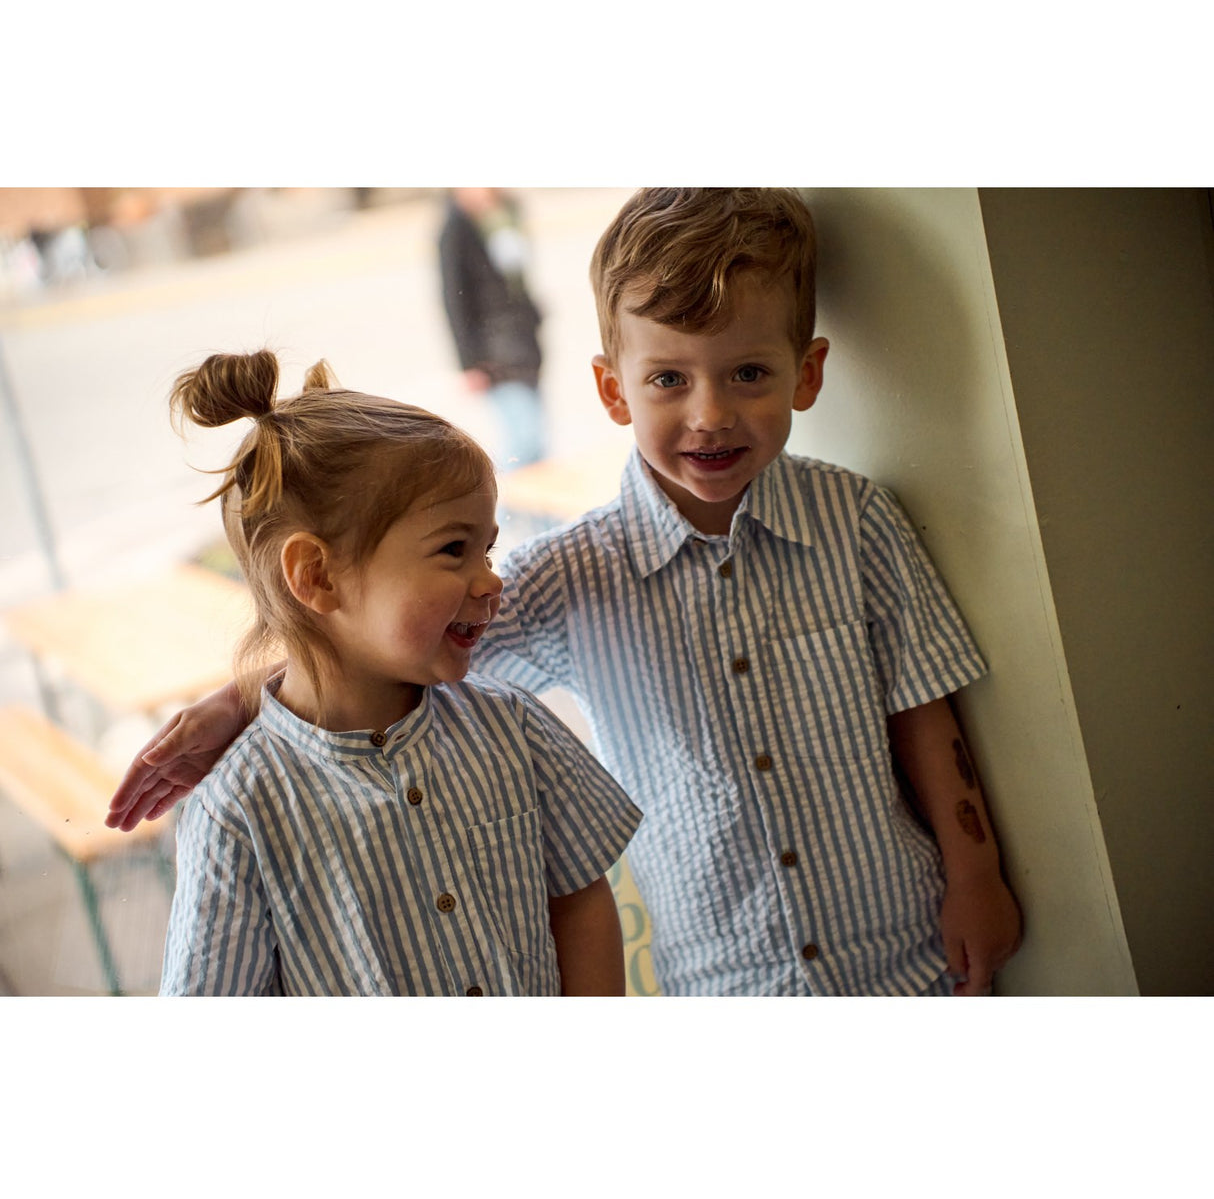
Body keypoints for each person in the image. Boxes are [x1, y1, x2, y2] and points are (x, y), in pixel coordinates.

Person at [110, 189, 1022, 997]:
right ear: (612, 390)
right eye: (668, 379)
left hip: (906, 960)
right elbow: (389, 642)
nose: (709, 414)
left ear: (807, 374)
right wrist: (242, 701)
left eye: (748, 373)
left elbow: (923, 713)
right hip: (727, 987)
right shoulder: (571, 576)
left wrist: (976, 873)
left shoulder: (856, 521)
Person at [152, 350, 640, 996]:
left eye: (487, 548)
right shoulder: (237, 814)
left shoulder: (514, 726)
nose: (491, 580)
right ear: (317, 576)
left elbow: (578, 898)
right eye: (454, 549)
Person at [438, 187, 546, 468]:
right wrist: (468, 364)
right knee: (523, 442)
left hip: (525, 344)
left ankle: (528, 497)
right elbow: (453, 300)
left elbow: (518, 280)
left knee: (537, 443)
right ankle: (502, 497)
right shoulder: (455, 228)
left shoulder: (505, 215)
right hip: (493, 354)